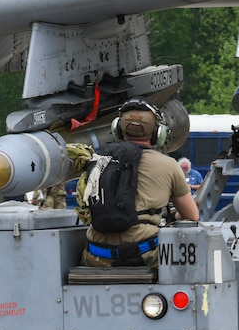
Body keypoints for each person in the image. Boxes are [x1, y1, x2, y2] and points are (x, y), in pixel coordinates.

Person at [81, 97, 199, 269]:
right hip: (142, 254)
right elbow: (192, 216)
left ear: (118, 130)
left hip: (96, 255)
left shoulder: (98, 159)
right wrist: (171, 215)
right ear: (158, 133)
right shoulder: (169, 165)